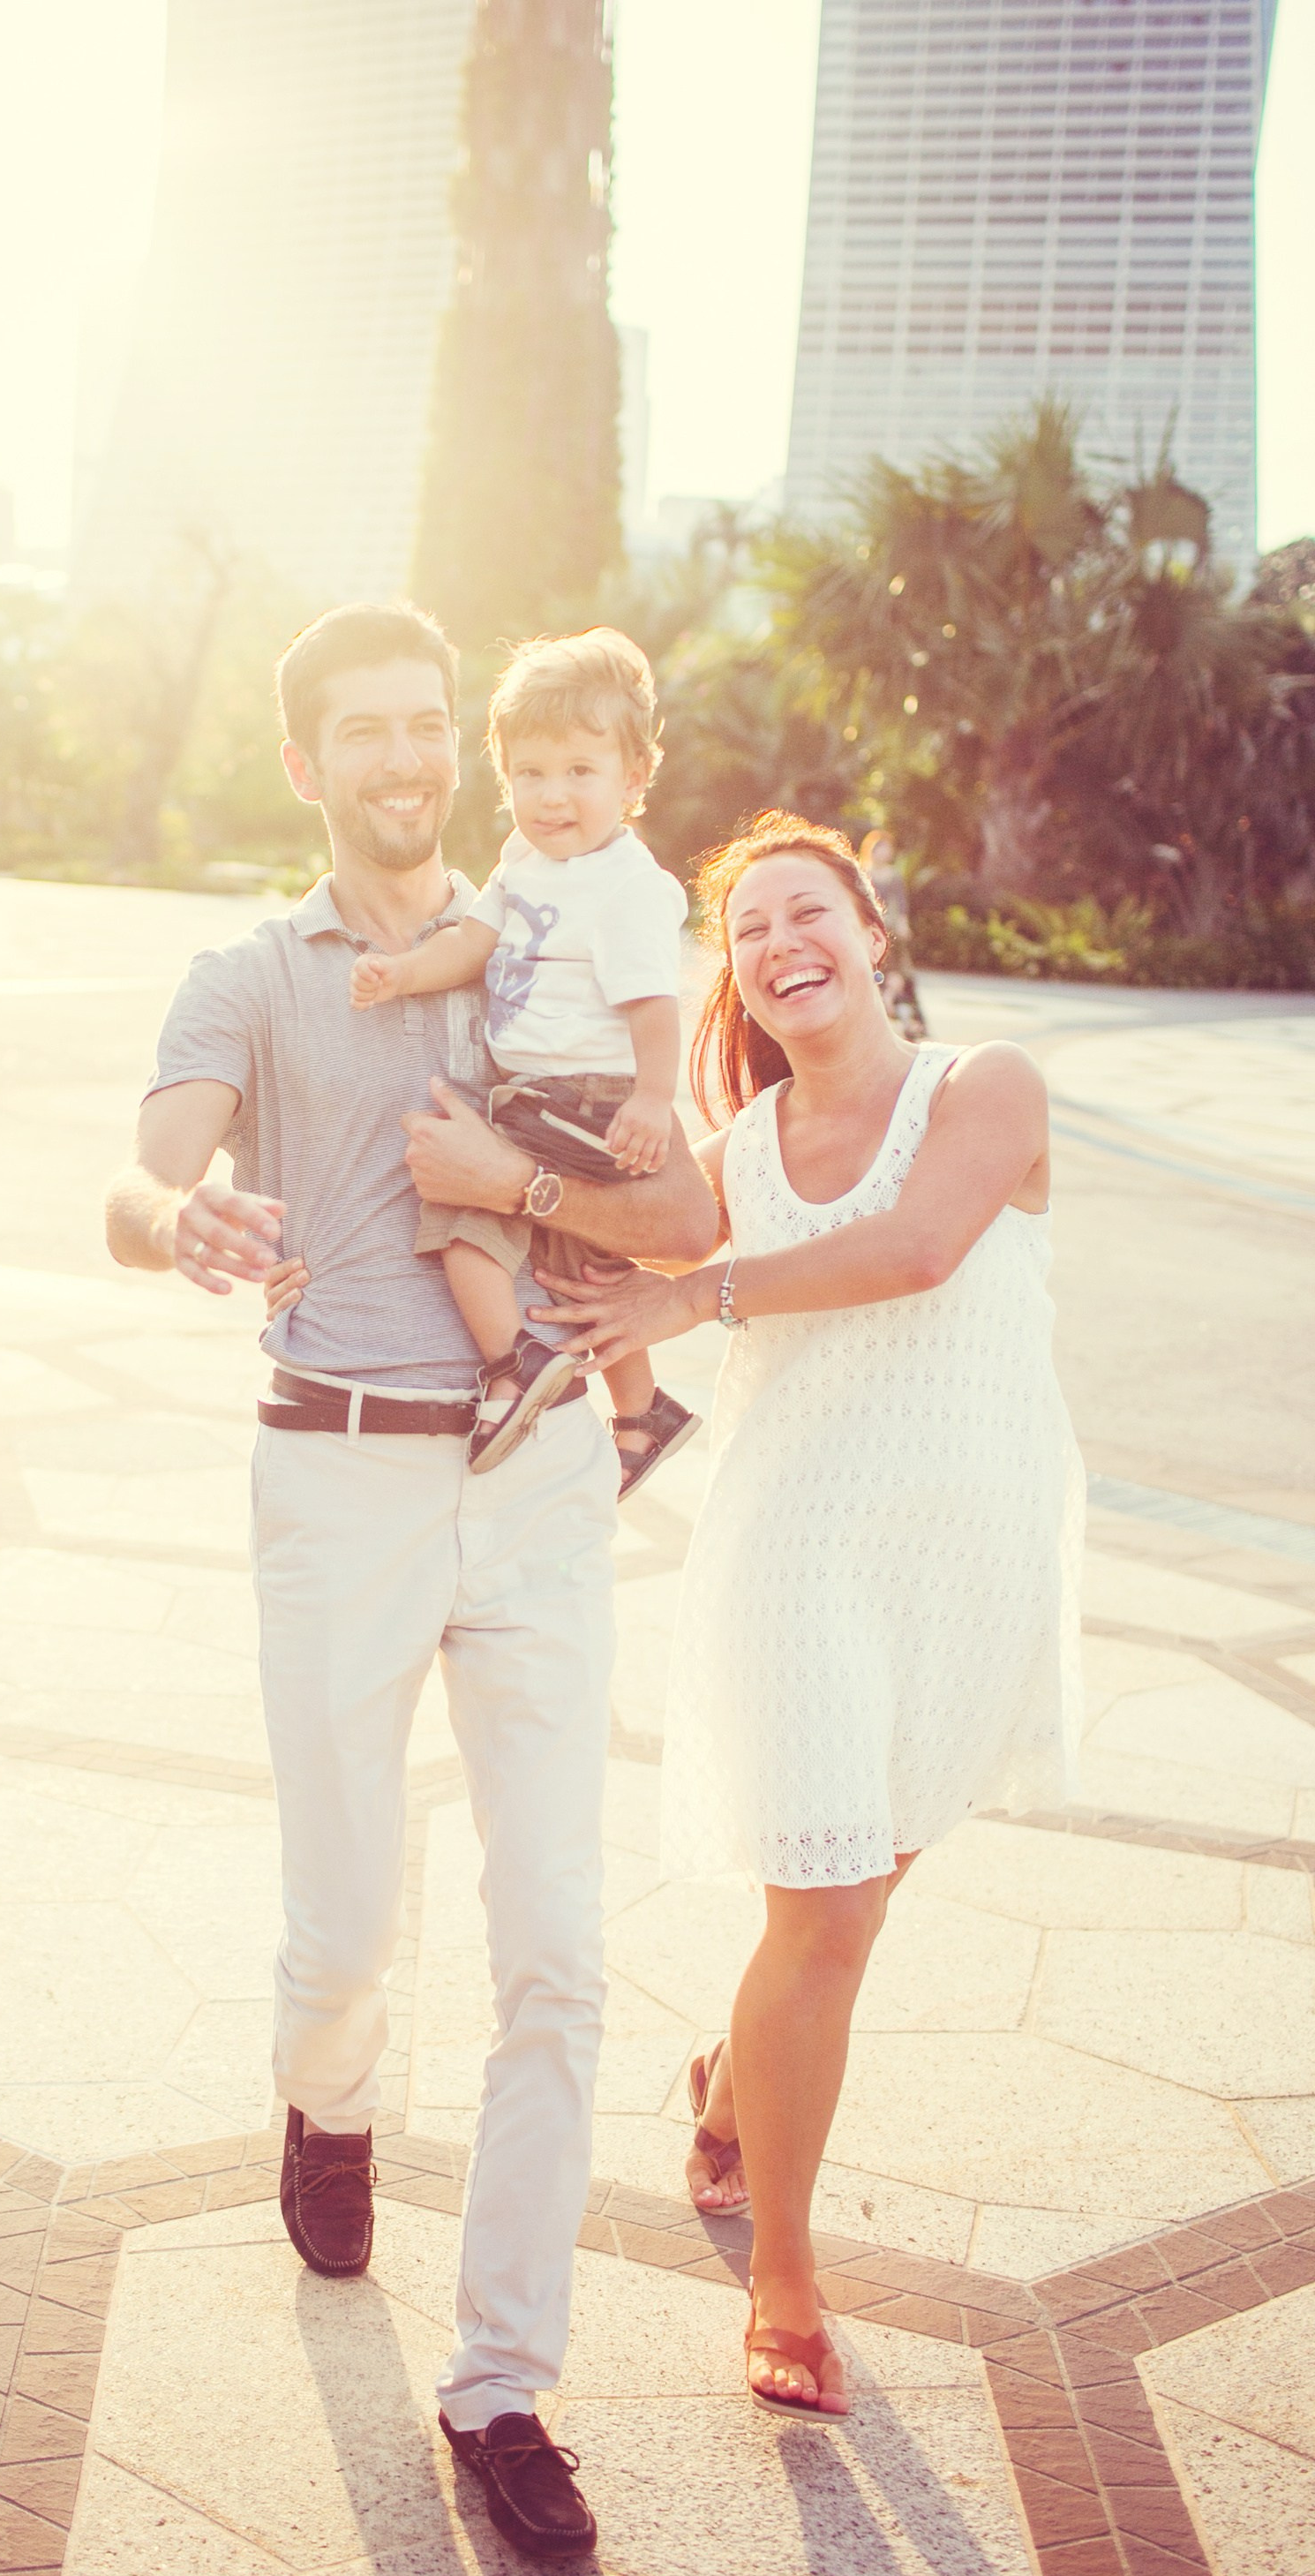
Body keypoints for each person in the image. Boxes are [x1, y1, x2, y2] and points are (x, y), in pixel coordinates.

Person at [105, 602, 718, 2554]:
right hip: (339, 1474)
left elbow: (683, 1205)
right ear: (305, 765)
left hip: (534, 1480)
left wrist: (515, 1193)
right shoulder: (249, 970)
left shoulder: (561, 922)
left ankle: (502, 2385)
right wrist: (179, 1218)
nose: (405, 759)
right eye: (361, 732)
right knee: (343, 1929)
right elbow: (139, 1174)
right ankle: (331, 2096)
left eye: (427, 726)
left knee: (556, 1951)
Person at [535, 810, 1083, 2421]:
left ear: (870, 927)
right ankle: (783, 2273)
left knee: (853, 1895)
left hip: (971, 1550)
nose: (783, 943)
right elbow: (616, 1223)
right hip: (798, 1553)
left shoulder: (988, 1089)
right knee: (829, 1909)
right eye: (751, 930)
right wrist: (504, 1170)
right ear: (744, 983)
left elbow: (918, 1249)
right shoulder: (740, 1158)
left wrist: (691, 1294)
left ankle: (728, 2084)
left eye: (807, 911)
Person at [347, 628, 699, 1496]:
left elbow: (653, 1003)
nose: (552, 797)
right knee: (585, 1263)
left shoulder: (622, 885)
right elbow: (472, 942)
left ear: (633, 777)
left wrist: (653, 1099)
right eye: (531, 774)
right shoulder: (524, 863)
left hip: (586, 1097)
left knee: (458, 1208)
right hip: (544, 1094)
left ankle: (514, 1367)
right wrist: (403, 973)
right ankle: (640, 1409)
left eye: (580, 772)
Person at [860, 827, 928, 1040]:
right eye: (880, 848)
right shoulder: (863, 873)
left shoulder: (894, 875)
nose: (884, 852)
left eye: (887, 848)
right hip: (868, 928)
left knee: (901, 971)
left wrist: (903, 923)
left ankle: (912, 1020)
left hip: (890, 930)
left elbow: (900, 903)